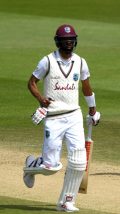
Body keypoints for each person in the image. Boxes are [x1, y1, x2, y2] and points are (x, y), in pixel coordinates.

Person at [23, 24, 101, 212]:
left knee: (79, 161)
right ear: (58, 41)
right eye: (65, 39)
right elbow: (31, 83)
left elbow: (86, 87)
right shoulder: (47, 61)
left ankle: (66, 201)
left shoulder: (81, 62)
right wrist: (41, 99)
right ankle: (31, 165)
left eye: (71, 39)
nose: (69, 42)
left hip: (74, 115)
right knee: (51, 167)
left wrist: (92, 109)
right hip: (54, 118)